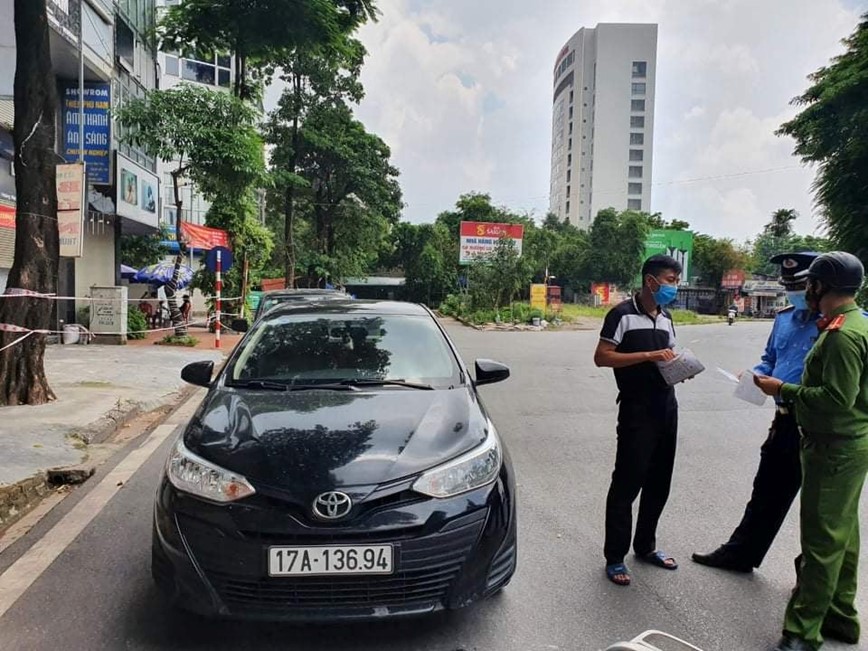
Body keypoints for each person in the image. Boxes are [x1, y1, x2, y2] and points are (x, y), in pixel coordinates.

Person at [754, 251, 868, 651]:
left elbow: (836, 399)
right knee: (843, 536)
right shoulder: (859, 323)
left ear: (820, 286)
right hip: (850, 443)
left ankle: (803, 630)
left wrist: (782, 390)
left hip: (832, 445)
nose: (807, 291)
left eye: (810, 284)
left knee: (821, 540)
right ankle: (841, 617)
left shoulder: (841, 336)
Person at [692, 253, 820, 574]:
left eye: (801, 285)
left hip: (822, 426)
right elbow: (770, 358)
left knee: (821, 510)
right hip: (785, 421)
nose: (795, 291)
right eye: (789, 285)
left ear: (818, 285)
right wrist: (752, 374)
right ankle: (741, 554)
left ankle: (812, 577)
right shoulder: (784, 318)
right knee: (766, 491)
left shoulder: (841, 325)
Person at [594, 254, 683, 586]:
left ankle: (646, 546)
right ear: (651, 281)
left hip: (667, 406)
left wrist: (679, 369)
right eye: (670, 280)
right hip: (636, 409)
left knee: (660, 481)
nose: (674, 287)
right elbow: (602, 357)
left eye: (676, 281)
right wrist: (647, 355)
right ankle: (615, 556)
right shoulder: (621, 314)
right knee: (627, 482)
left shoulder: (666, 317)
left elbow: (669, 356)